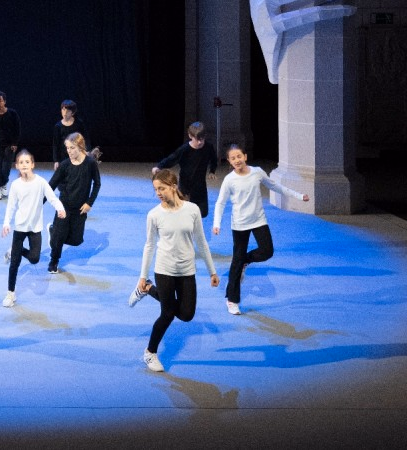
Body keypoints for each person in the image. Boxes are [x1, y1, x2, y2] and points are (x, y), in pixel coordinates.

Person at [130, 169, 219, 373]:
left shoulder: (192, 209)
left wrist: (212, 271)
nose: (158, 193)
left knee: (187, 314)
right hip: (165, 269)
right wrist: (142, 276)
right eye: (155, 189)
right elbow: (149, 246)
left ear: (173, 186)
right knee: (168, 313)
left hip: (187, 270)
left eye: (161, 188)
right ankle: (150, 353)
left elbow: (201, 242)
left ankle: (149, 289)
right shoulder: (154, 214)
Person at [212, 143, 309, 315]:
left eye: (239, 156)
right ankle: (232, 300)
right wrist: (217, 223)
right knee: (236, 260)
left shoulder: (257, 172)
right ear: (229, 161)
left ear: (245, 156)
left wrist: (299, 196)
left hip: (258, 220)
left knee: (267, 251)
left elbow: (275, 186)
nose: (237, 160)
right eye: (233, 158)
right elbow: (220, 203)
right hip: (240, 224)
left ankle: (245, 261)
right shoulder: (229, 180)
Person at [0, 150, 65, 307]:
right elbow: (11, 206)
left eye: (27, 162)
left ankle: (14, 250)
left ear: (32, 165)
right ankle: (10, 293)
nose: (24, 165)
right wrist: (6, 223)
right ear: (17, 166)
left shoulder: (41, 182)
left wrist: (60, 208)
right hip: (20, 228)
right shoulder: (15, 185)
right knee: (14, 263)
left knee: (35, 259)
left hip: (35, 228)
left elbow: (52, 197)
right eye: (21, 163)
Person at [46, 132, 101, 274]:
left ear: (81, 147)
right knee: (59, 239)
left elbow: (97, 184)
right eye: (67, 148)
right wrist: (40, 202)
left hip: (80, 209)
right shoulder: (65, 165)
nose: (69, 151)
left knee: (76, 241)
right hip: (63, 206)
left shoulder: (90, 164)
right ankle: (53, 262)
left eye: (72, 148)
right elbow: (51, 185)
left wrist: (89, 203)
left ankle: (53, 231)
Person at [153, 121, 218, 219]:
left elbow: (213, 159)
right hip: (185, 186)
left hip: (200, 185)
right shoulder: (184, 149)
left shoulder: (208, 147)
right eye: (197, 139)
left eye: (202, 139)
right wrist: (159, 166)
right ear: (190, 136)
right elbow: (172, 158)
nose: (200, 142)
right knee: (182, 212)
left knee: (203, 213)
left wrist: (212, 171)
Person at [0, 91, 21, 200]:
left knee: (6, 167)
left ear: (4, 101)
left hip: (9, 145)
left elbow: (17, 129)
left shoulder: (12, 113)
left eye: (0, 101)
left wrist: (15, 143)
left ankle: (3, 184)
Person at [51, 100, 90, 171]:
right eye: (63, 110)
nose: (65, 113)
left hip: (77, 153)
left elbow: (86, 138)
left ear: (73, 112)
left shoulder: (79, 123)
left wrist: (87, 150)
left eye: (68, 111)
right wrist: (56, 160)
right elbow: (55, 144)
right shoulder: (58, 126)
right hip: (64, 155)